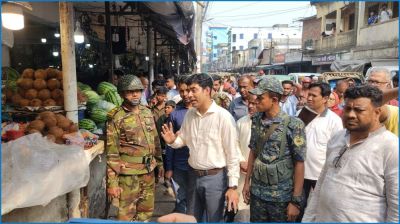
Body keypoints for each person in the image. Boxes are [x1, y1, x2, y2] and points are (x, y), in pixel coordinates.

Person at [302, 85, 398, 222]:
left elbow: (396, 207)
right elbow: (321, 186)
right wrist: (308, 219)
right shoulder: (337, 138)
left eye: (359, 110)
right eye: (347, 109)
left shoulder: (391, 146)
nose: (351, 115)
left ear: (377, 112)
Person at [161, 73, 240, 222]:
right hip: (193, 175)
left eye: (193, 90)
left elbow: (233, 154)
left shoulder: (223, 117)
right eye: (187, 90)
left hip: (215, 178)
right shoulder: (190, 114)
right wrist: (172, 141)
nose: (189, 95)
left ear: (207, 90)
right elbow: (183, 139)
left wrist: (232, 187)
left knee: (214, 219)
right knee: (192, 218)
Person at [243, 76, 306, 222]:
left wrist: (295, 201)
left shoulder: (293, 125)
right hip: (258, 193)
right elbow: (253, 151)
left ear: (274, 100)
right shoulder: (257, 120)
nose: (255, 101)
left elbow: (299, 162)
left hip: (281, 197)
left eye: (260, 97)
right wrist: (247, 183)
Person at [106, 75, 164, 221]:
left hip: (148, 172)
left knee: (145, 213)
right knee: (126, 215)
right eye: (130, 91)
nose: (135, 94)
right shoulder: (116, 117)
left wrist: (160, 163)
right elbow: (112, 153)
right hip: (128, 175)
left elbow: (155, 140)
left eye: (138, 91)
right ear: (122, 94)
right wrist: (112, 183)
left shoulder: (147, 112)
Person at [297, 82, 343, 220]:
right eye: (308, 94)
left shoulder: (334, 120)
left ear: (325, 98)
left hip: (322, 175)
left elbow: (338, 150)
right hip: (300, 173)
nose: (309, 98)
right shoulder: (301, 114)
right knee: (298, 208)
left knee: (320, 211)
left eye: (313, 95)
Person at [164, 75, 192, 214]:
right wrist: (168, 167)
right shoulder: (175, 114)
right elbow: (169, 144)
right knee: (181, 200)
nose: (185, 94)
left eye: (188, 90)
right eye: (182, 91)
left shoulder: (203, 111)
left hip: (199, 167)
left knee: (196, 201)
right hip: (180, 165)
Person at [235, 94, 258, 222]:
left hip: (261, 175)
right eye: (249, 103)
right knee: (243, 209)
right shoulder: (241, 122)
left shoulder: (269, 124)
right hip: (243, 173)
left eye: (254, 103)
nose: (250, 106)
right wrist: (241, 161)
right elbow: (235, 144)